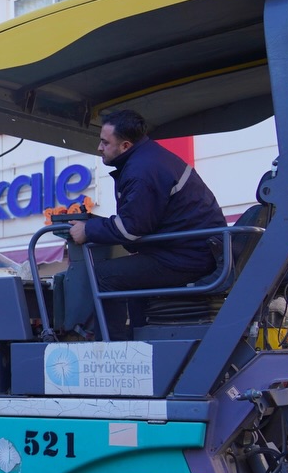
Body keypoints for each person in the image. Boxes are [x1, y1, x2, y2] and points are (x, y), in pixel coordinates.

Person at [67, 109, 225, 338]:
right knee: (130, 275)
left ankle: (110, 350)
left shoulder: (142, 170)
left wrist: (88, 230)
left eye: (105, 142)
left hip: (186, 257)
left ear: (125, 146)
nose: (99, 147)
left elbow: (132, 228)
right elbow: (142, 220)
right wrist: (96, 225)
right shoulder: (150, 158)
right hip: (192, 250)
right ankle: (138, 334)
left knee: (104, 275)